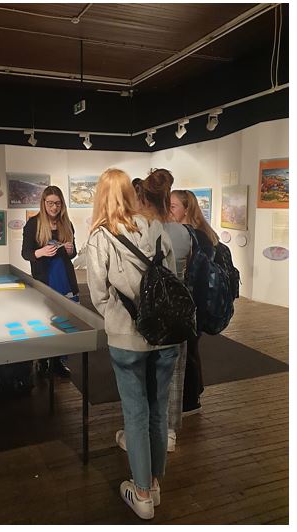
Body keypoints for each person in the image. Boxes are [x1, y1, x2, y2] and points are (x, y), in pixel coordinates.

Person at [86, 168, 179, 520]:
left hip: (127, 339)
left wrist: (120, 319)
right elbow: (172, 280)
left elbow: (98, 294)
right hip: (166, 336)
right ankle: (154, 485)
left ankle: (141, 494)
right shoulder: (156, 229)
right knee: (158, 411)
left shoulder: (100, 237)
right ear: (130, 193)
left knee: (136, 414)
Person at [115, 169, 193, 453]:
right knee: (170, 380)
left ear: (142, 199)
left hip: (145, 315)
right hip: (177, 313)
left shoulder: (140, 232)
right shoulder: (182, 233)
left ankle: (139, 439)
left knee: (141, 383)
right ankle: (167, 434)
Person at [21, 185, 78, 379]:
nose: (54, 207)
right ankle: (43, 361)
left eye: (58, 203)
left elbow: (73, 254)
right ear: (43, 203)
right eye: (50, 203)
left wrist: (71, 251)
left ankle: (57, 362)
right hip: (45, 280)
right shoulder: (33, 224)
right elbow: (26, 253)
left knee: (64, 323)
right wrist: (41, 252)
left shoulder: (66, 224)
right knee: (46, 323)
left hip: (65, 280)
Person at [171, 189, 218, 415]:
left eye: (173, 206)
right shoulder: (201, 234)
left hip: (193, 303)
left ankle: (190, 401)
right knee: (192, 349)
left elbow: (196, 274)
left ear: (186, 209)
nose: (168, 210)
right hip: (196, 302)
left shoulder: (195, 236)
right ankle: (195, 392)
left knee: (188, 351)